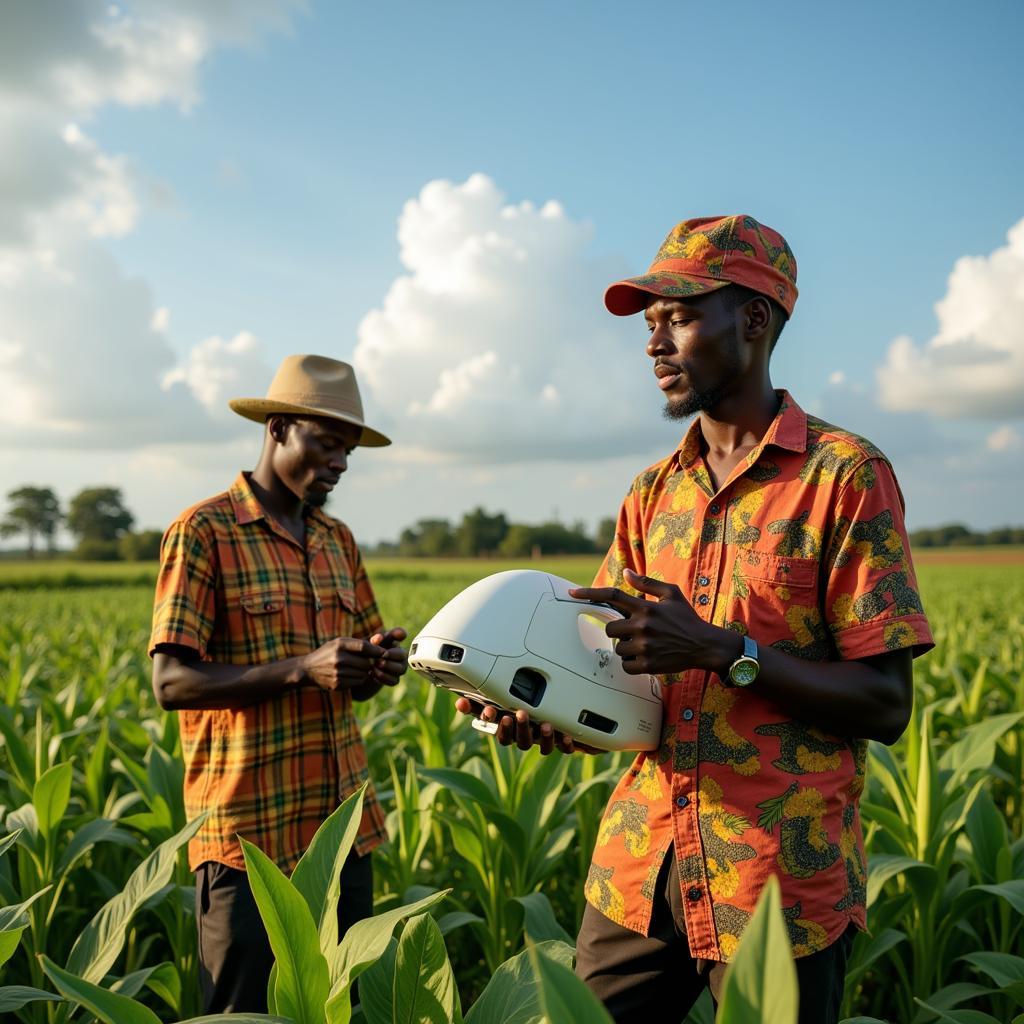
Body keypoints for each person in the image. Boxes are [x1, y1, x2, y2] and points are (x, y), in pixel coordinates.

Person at [456, 215, 933, 1024]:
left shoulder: (846, 475)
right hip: (639, 869)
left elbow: (886, 705)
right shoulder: (651, 493)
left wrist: (726, 652)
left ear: (752, 319)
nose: (654, 343)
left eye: (677, 317)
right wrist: (541, 711)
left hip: (776, 890)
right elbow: (617, 687)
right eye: (649, 325)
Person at [149, 354, 408, 1013]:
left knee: (343, 1007)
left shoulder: (336, 540)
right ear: (279, 429)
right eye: (326, 444)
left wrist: (375, 668)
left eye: (348, 451)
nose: (341, 464)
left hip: (343, 832)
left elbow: (350, 677)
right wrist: (301, 668)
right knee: (245, 1013)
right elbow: (172, 680)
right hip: (248, 845)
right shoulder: (203, 532)